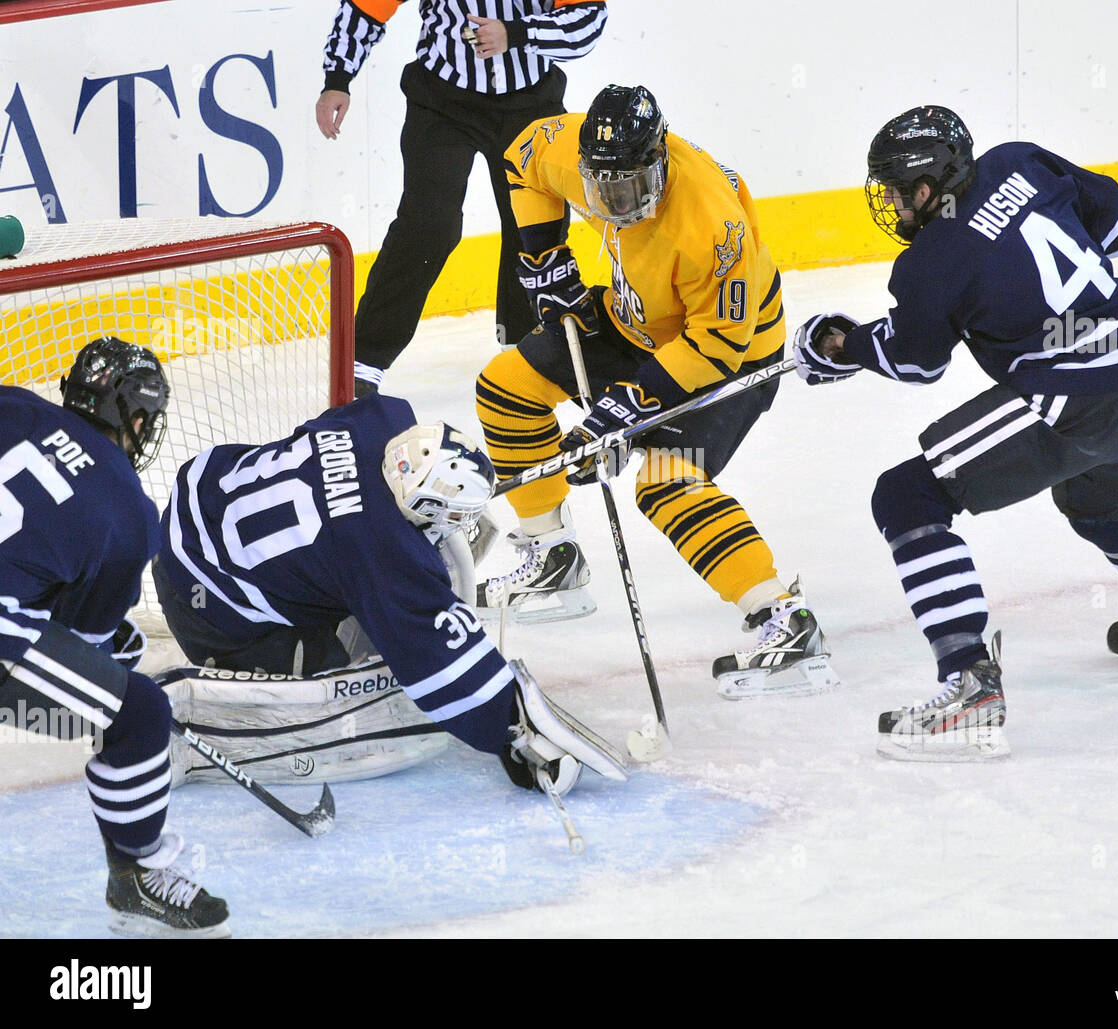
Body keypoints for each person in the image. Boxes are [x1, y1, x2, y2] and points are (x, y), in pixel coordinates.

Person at [792, 105, 1118, 760]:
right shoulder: (1019, 161)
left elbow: (917, 360)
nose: (886, 202)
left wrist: (840, 343)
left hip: (1076, 397)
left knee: (907, 498)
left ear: (925, 186)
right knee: (1104, 509)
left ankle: (969, 684)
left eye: (891, 189)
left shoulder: (931, 261)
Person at [473, 83, 838, 699]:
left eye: (630, 189)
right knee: (506, 387)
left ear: (660, 164)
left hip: (732, 352)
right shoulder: (574, 154)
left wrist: (625, 410)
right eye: (602, 190)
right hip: (632, 318)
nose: (615, 204)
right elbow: (520, 157)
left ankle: (784, 619)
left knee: (667, 481)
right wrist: (546, 258)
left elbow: (717, 346)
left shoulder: (711, 225)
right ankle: (552, 557)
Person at [150, 392, 627, 797]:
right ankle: (196, 722)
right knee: (345, 681)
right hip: (208, 608)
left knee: (341, 575)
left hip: (194, 505)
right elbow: (436, 658)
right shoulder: (380, 551)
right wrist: (512, 731)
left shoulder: (378, 419)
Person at [0, 337, 230, 937]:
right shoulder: (130, 512)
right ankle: (140, 876)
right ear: (135, 417)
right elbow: (81, 639)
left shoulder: (14, 404)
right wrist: (114, 666)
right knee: (136, 717)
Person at [317, 0, 609, 395]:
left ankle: (527, 347)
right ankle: (364, 359)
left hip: (531, 101)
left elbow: (587, 21)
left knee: (534, 227)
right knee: (428, 225)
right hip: (441, 101)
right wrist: (338, 77)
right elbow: (366, 7)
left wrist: (517, 32)